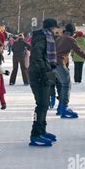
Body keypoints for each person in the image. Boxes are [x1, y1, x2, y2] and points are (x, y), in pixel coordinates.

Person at [28, 19, 59, 147]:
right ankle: (35, 133)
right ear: (51, 27)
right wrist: (43, 71)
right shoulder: (42, 37)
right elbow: (36, 55)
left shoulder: (47, 36)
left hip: (45, 70)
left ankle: (42, 130)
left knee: (44, 104)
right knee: (41, 105)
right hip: (39, 73)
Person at [54, 23, 85, 118]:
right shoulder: (70, 39)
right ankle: (64, 108)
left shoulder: (60, 38)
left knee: (63, 85)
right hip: (60, 63)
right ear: (72, 31)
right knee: (66, 85)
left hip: (53, 63)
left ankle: (60, 107)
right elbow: (79, 52)